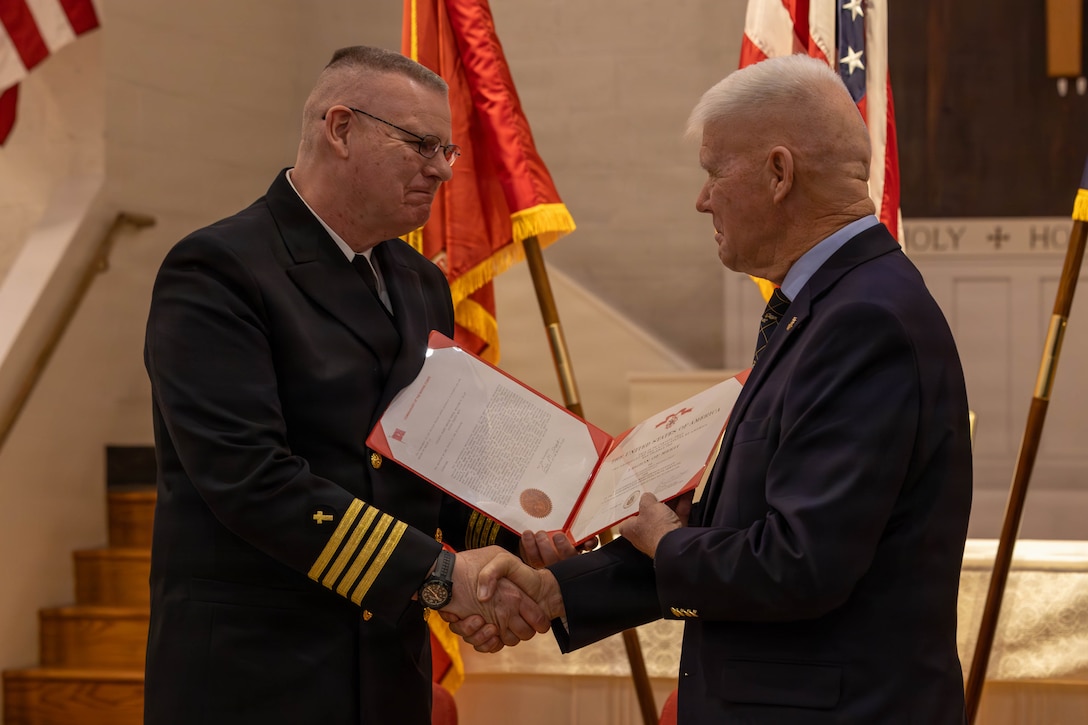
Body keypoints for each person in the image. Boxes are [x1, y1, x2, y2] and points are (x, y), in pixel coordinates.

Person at [455, 53, 974, 723]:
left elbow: (799, 563)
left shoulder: (862, 320)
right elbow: (738, 530)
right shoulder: (830, 306)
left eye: (712, 171)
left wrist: (668, 542)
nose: (702, 198)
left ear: (779, 172)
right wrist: (556, 590)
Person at [143, 45, 547, 725]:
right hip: (258, 672)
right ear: (340, 128)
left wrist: (524, 534)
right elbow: (251, 478)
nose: (444, 170)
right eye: (422, 145)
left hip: (386, 665)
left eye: (448, 150)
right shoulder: (219, 269)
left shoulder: (420, 282)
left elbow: (433, 461)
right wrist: (442, 577)